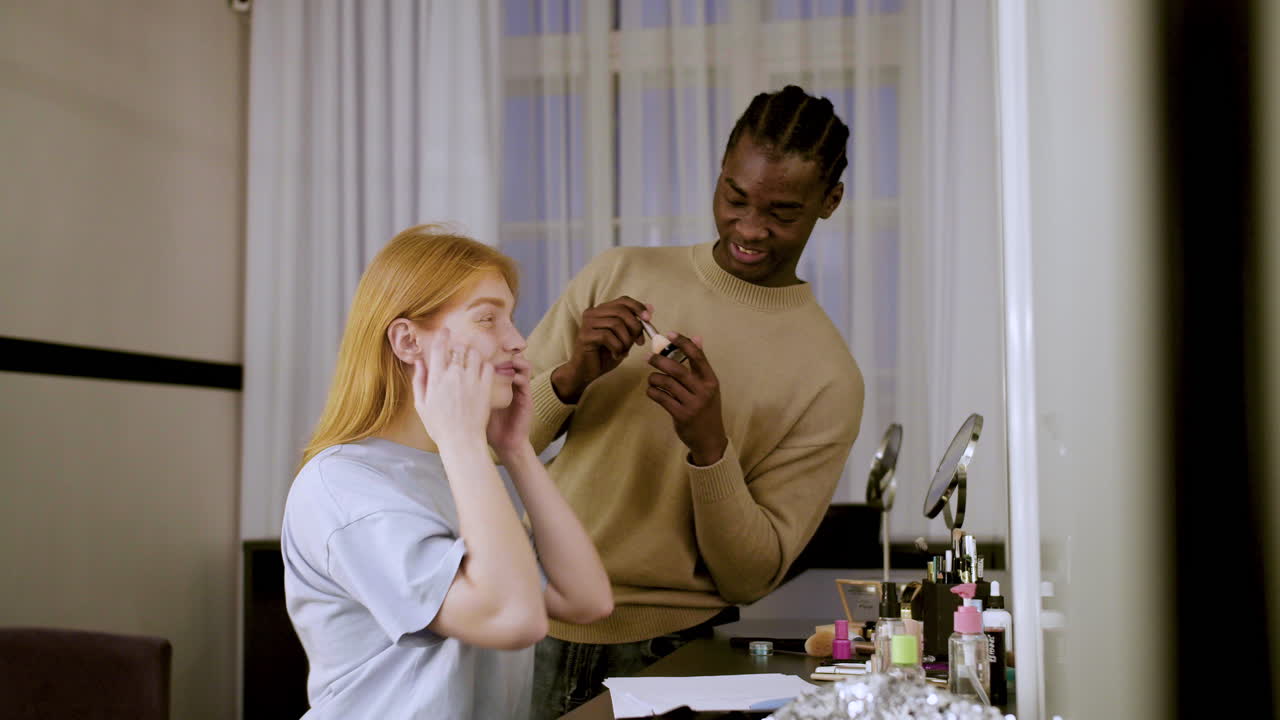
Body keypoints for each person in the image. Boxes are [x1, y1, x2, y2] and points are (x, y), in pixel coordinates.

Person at [526, 85, 867, 718]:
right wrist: (571, 378)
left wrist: (710, 446)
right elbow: (498, 438)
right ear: (721, 173)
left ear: (830, 201)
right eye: (735, 198)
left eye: (782, 212)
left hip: (674, 660)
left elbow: (750, 577)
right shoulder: (617, 272)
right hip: (528, 629)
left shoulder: (829, 377)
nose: (749, 228)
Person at [281, 226, 612, 720]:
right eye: (487, 319)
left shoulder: (461, 470)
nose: (518, 343)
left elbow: (586, 599)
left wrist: (515, 449)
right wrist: (462, 442)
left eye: (511, 320)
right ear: (408, 340)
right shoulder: (343, 487)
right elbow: (514, 620)